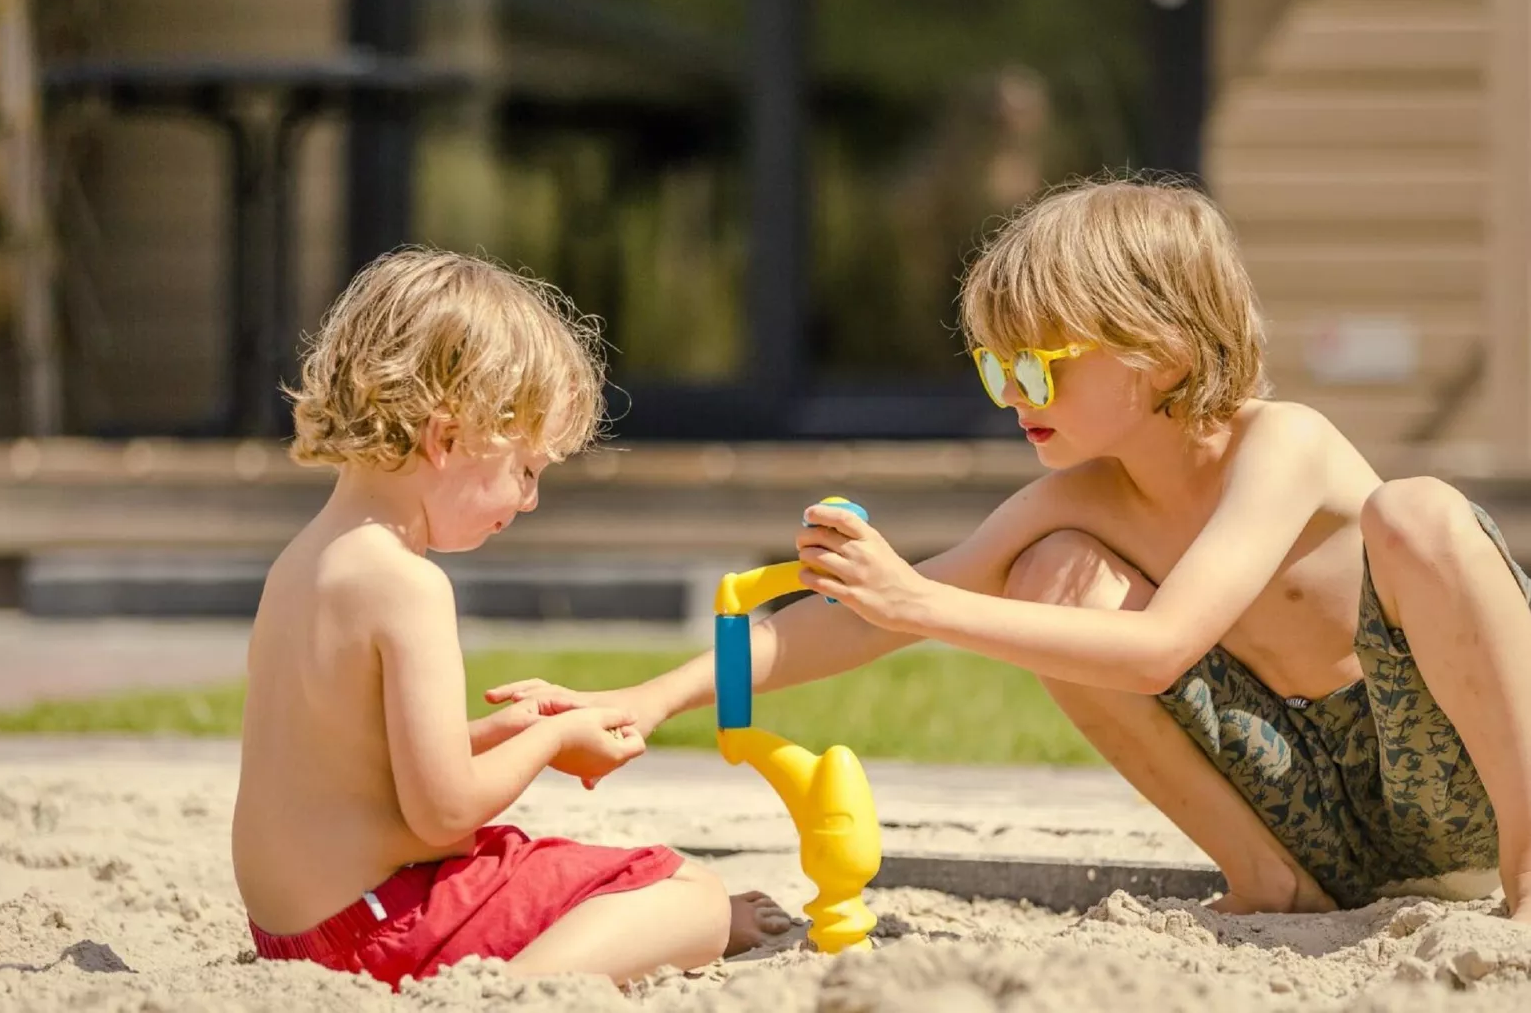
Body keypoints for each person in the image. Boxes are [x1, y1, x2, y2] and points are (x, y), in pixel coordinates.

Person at [489, 178, 1531, 922]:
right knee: (1051, 577)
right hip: (1308, 809)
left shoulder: (1282, 445)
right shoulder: (1080, 499)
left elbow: (1162, 646)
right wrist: (647, 699)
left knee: (1421, 513)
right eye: (994, 371)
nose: (1010, 398)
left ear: (1158, 352)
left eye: (1035, 369)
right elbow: (856, 616)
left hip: (1454, 774)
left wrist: (919, 603)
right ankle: (1271, 883)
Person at [231, 248, 790, 992]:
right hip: (380, 927)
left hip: (294, 936)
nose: (528, 500)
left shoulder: (302, 563)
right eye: (527, 469)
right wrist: (556, 735)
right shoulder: (409, 586)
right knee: (692, 893)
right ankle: (505, 994)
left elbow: (344, 766)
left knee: (575, 868)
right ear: (447, 438)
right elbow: (445, 816)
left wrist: (501, 736)